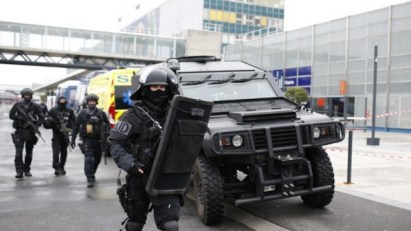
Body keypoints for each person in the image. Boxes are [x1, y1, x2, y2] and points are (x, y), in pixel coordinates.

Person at [109, 67, 180, 231]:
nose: (159, 90)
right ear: (145, 89)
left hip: (166, 176)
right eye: (154, 87)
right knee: (135, 225)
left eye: (163, 87)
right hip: (139, 176)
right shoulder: (131, 115)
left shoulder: (175, 113)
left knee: (170, 225)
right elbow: (116, 144)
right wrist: (131, 164)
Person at [70, 93, 109, 187]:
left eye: (93, 101)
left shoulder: (100, 112)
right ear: (87, 102)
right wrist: (73, 138)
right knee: (88, 159)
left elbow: (107, 123)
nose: (92, 103)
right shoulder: (82, 113)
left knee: (97, 159)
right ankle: (90, 178)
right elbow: (76, 126)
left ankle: (92, 172)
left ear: (96, 102)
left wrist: (106, 133)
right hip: (87, 139)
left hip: (98, 140)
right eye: (90, 101)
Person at [9, 88, 44, 178]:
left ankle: (27, 169)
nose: (27, 96)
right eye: (25, 95)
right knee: (18, 153)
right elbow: (11, 115)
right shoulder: (18, 105)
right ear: (23, 95)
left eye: (28, 95)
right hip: (20, 132)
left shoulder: (35, 106)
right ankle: (19, 171)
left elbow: (41, 117)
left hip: (30, 132)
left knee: (29, 153)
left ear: (31, 96)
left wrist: (36, 126)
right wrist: (18, 117)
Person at [43, 96, 76, 175]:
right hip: (56, 134)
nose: (62, 101)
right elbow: (46, 122)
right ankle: (56, 168)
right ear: (58, 101)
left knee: (64, 152)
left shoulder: (70, 111)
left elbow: (75, 122)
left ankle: (62, 166)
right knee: (56, 151)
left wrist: (69, 128)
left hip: (65, 134)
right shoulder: (53, 111)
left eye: (63, 100)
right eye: (61, 100)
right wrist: (53, 123)